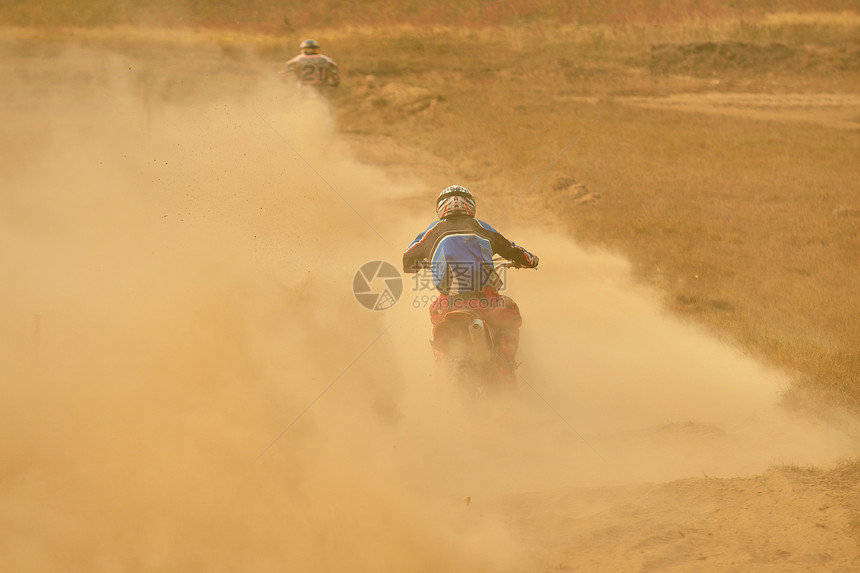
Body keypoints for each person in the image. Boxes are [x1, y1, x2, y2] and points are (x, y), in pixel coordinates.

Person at [402, 185, 539, 367]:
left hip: (448, 302)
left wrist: (419, 265)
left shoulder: (431, 231)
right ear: (471, 205)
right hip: (486, 299)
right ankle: (509, 363)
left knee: (436, 319)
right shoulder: (482, 227)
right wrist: (530, 260)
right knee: (511, 314)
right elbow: (511, 248)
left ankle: (441, 363)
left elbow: (407, 260)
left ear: (440, 207)